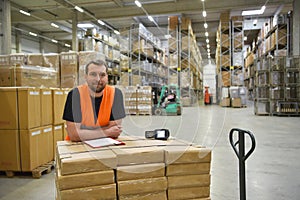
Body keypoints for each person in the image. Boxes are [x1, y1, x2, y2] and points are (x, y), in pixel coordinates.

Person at [62, 59, 126, 142]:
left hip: (107, 144)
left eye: (102, 75)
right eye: (93, 74)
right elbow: (74, 135)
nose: (98, 79)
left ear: (107, 77)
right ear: (86, 76)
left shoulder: (115, 94)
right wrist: (106, 132)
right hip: (77, 147)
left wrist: (84, 131)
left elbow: (115, 131)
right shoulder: (75, 95)